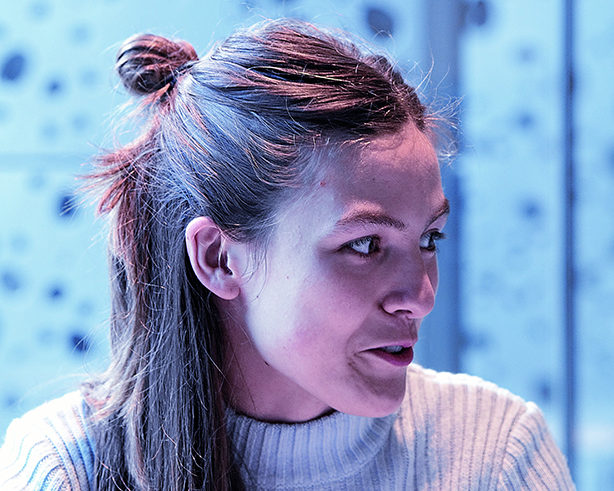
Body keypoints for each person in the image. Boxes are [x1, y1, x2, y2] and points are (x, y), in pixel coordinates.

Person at [0, 18, 574, 490]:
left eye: (429, 239)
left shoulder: (497, 451)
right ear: (219, 259)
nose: (420, 297)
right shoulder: (63, 468)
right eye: (365, 245)